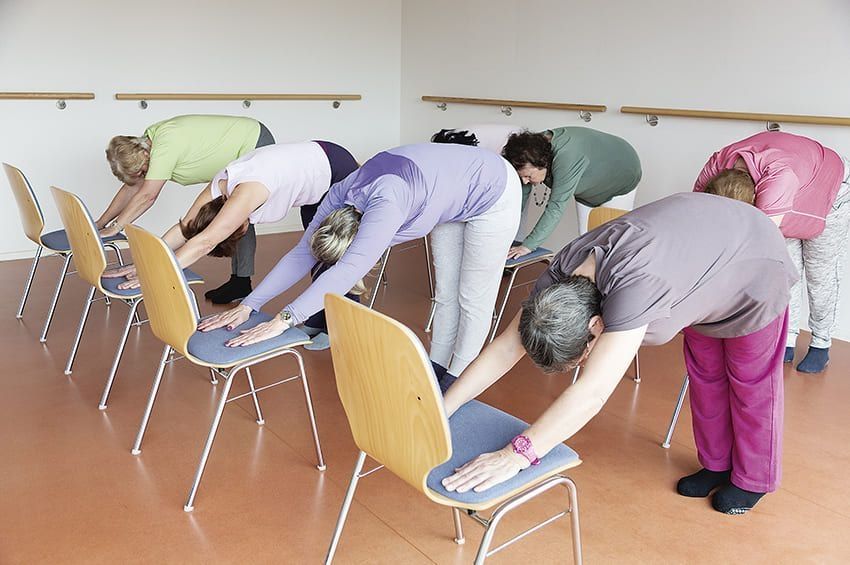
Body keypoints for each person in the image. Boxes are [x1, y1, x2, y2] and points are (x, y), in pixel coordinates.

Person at [440, 193, 796, 515]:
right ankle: (717, 464)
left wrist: (516, 455)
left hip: (755, 263)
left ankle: (753, 479)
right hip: (704, 261)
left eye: (581, 357)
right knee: (706, 376)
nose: (584, 363)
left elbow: (592, 392)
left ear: (597, 325)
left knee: (751, 385)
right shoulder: (560, 276)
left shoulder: (635, 291)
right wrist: (444, 407)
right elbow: (506, 347)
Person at [197, 142, 521, 376]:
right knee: (447, 292)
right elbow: (301, 253)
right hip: (450, 187)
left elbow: (348, 270)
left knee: (473, 297)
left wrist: (283, 320)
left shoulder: (386, 208)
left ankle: (459, 378)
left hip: (493, 188)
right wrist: (249, 305)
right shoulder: (340, 194)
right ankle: (437, 367)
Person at [102, 140, 359, 344]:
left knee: (334, 254)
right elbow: (186, 228)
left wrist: (153, 273)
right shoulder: (218, 189)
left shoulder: (245, 194)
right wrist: (145, 263)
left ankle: (341, 330)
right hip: (316, 168)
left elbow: (205, 242)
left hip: (335, 171)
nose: (245, 228)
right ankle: (318, 320)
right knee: (315, 251)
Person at [694, 131, 850, 373]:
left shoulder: (777, 181)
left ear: (756, 200)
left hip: (832, 187)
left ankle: (821, 343)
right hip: (795, 182)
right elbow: (696, 215)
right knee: (786, 269)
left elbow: (759, 248)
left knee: (820, 274)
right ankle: (787, 338)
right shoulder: (714, 169)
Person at [97, 114, 275, 303]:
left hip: (253, 142)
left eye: (141, 172)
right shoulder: (145, 145)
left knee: (238, 215)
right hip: (244, 139)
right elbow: (132, 187)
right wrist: (101, 223)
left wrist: (117, 227)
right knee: (232, 214)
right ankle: (240, 282)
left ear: (146, 156)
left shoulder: (164, 148)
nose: (142, 176)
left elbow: (147, 196)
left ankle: (241, 282)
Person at [433, 125, 642, 259]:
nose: (526, 181)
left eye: (528, 176)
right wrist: (502, 235)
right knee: (588, 242)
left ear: (542, 163)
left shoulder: (567, 159)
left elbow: (555, 207)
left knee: (612, 245)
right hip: (588, 185)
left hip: (621, 175)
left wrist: (528, 246)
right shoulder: (529, 153)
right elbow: (519, 198)